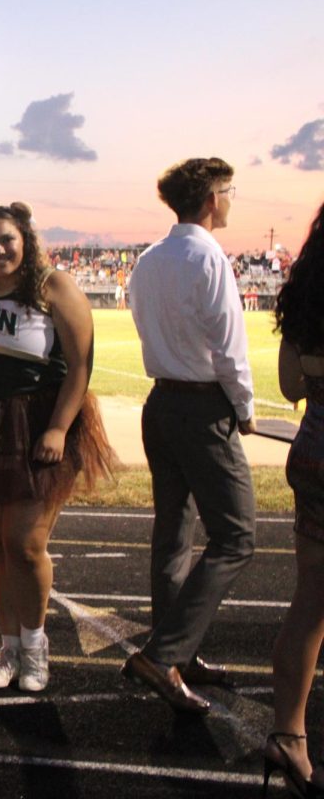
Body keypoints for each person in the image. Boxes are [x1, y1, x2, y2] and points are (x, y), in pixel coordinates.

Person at [0, 202, 113, 693]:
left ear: (25, 237)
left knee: (27, 545)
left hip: (36, 423)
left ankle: (35, 646)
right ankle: (7, 649)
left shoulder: (53, 286)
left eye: (6, 239)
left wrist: (59, 429)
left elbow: (82, 365)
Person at [123, 157, 255, 715]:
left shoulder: (149, 260)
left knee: (174, 534)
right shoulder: (208, 257)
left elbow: (140, 320)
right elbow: (229, 346)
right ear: (210, 198)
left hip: (161, 404)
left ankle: (180, 651)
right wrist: (244, 406)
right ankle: (166, 652)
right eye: (229, 191)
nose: (232, 200)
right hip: (202, 409)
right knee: (236, 535)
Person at [266, 200, 324, 797]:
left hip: (313, 450)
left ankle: (289, 734)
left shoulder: (307, 299)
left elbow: (288, 387)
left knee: (309, 604)